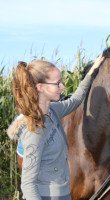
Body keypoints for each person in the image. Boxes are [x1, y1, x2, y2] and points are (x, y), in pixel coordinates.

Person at [7, 56, 104, 200]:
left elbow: (75, 100)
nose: (63, 87)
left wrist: (91, 73)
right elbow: (28, 185)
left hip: (64, 194)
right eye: (57, 83)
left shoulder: (53, 111)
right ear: (40, 87)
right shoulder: (34, 131)